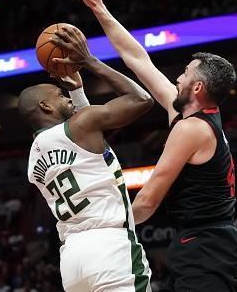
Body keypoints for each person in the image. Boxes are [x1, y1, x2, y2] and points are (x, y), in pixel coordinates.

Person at [80, 0, 237, 291]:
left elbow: (147, 201)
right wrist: (99, 9)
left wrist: (97, 226)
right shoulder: (189, 114)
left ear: (197, 87)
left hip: (208, 247)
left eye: (185, 74)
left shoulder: (192, 129)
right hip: (203, 245)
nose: (178, 78)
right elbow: (138, 59)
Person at [18, 26, 153, 292]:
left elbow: (86, 142)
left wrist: (79, 92)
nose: (67, 97)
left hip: (72, 260)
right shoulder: (81, 126)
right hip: (110, 247)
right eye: (60, 95)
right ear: (45, 106)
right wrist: (89, 61)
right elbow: (141, 99)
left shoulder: (34, 161)